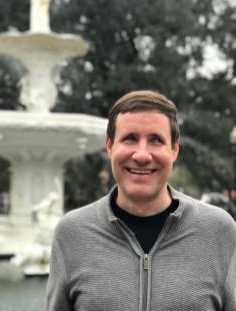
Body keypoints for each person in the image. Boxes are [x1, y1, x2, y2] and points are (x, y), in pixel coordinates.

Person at [46, 90, 236, 310]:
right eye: (130, 139)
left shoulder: (219, 231)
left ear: (174, 150)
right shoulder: (72, 233)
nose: (142, 155)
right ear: (109, 146)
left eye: (156, 140)